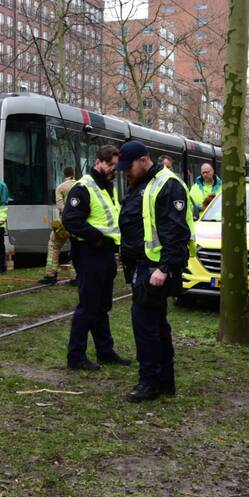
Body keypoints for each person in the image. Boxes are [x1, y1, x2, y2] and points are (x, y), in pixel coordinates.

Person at [119, 141, 194, 401]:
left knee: (146, 327)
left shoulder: (167, 184)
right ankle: (163, 381)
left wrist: (164, 268)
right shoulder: (144, 182)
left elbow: (176, 231)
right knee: (156, 325)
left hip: (154, 268)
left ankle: (149, 382)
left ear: (143, 160)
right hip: (145, 266)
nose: (125, 172)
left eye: (128, 167)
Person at [61, 145, 129, 370]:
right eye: (110, 164)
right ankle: (76, 356)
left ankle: (105, 351)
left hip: (105, 253)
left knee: (101, 306)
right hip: (90, 252)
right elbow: (71, 220)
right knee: (89, 306)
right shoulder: (84, 187)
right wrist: (97, 238)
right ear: (98, 161)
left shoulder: (107, 186)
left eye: (115, 165)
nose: (113, 169)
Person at [40, 167, 77, 285]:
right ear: (73, 173)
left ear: (64, 174)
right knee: (77, 247)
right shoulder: (80, 185)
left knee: (54, 245)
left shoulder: (60, 187)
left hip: (65, 222)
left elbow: (60, 206)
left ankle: (51, 274)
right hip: (79, 223)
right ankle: (76, 276)